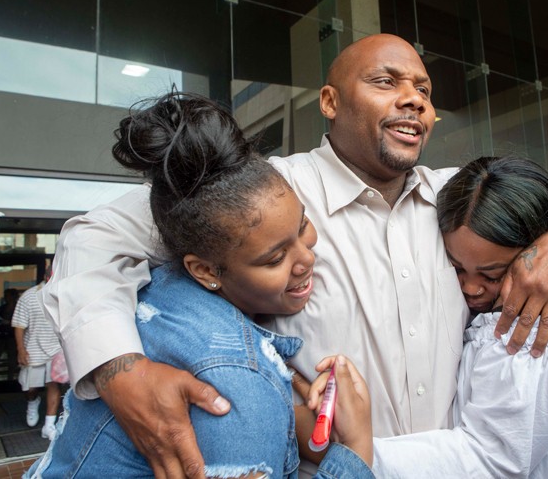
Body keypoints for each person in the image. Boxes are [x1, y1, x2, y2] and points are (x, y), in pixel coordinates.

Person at [42, 33, 548, 477]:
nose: (414, 98)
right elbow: (94, 235)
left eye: (425, 91)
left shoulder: (457, 196)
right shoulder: (263, 193)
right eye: (386, 81)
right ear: (330, 103)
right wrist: (118, 369)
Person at [27, 92, 374, 478]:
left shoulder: (167, 285)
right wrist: (356, 450)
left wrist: (282, 419)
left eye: (304, 226)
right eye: (275, 258)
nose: (308, 258)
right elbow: (91, 237)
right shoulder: (233, 385)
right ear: (205, 271)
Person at [303, 156, 548, 477]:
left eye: (493, 274)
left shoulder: (543, 314)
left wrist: (355, 449)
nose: (472, 288)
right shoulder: (479, 219)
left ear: (536, 249)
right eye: (456, 268)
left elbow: (491, 460)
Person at [11, 274, 62, 440]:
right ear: (48, 276)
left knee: (53, 385)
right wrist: (21, 349)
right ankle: (32, 402)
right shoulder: (29, 296)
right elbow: (19, 325)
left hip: (56, 350)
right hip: (33, 350)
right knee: (29, 389)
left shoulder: (64, 294)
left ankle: (49, 426)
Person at [0, 287, 19, 381]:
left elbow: (21, 323)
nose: (6, 298)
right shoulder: (1, 308)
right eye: (6, 296)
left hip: (12, 336)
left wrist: (9, 322)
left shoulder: (19, 308)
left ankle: (10, 379)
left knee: (12, 359)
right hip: (1, 335)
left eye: (8, 296)